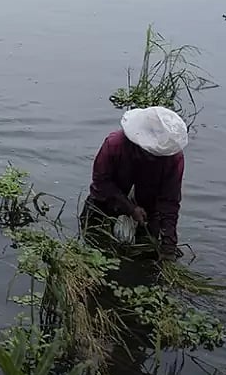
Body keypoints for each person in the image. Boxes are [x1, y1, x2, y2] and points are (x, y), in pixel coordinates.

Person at [80, 106, 188, 260]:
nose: (151, 157)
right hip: (106, 203)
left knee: (147, 255)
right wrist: (130, 208)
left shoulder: (173, 159)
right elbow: (101, 182)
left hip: (148, 211)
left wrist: (169, 244)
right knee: (93, 245)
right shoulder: (115, 144)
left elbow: (169, 201)